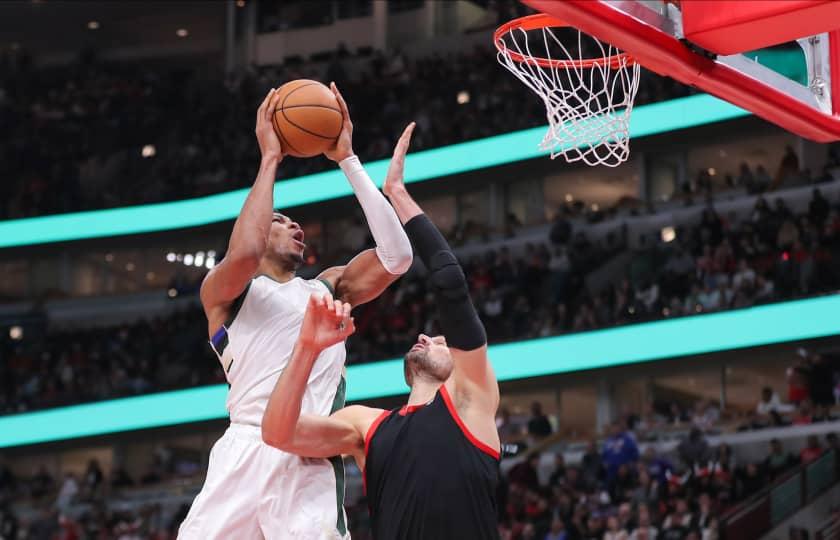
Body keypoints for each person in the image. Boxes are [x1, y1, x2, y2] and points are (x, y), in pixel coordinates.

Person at [178, 86, 413, 539]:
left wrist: (347, 160)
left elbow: (397, 257)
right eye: (281, 220)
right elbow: (245, 251)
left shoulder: (327, 287)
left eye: (295, 222)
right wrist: (270, 159)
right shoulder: (223, 292)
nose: (295, 225)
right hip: (244, 445)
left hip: (305, 448)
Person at [262, 127, 501, 539]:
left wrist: (398, 194)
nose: (427, 337)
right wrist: (307, 347)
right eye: (430, 335)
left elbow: (449, 282)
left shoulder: (472, 400)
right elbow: (278, 433)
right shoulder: (366, 426)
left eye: (441, 340)